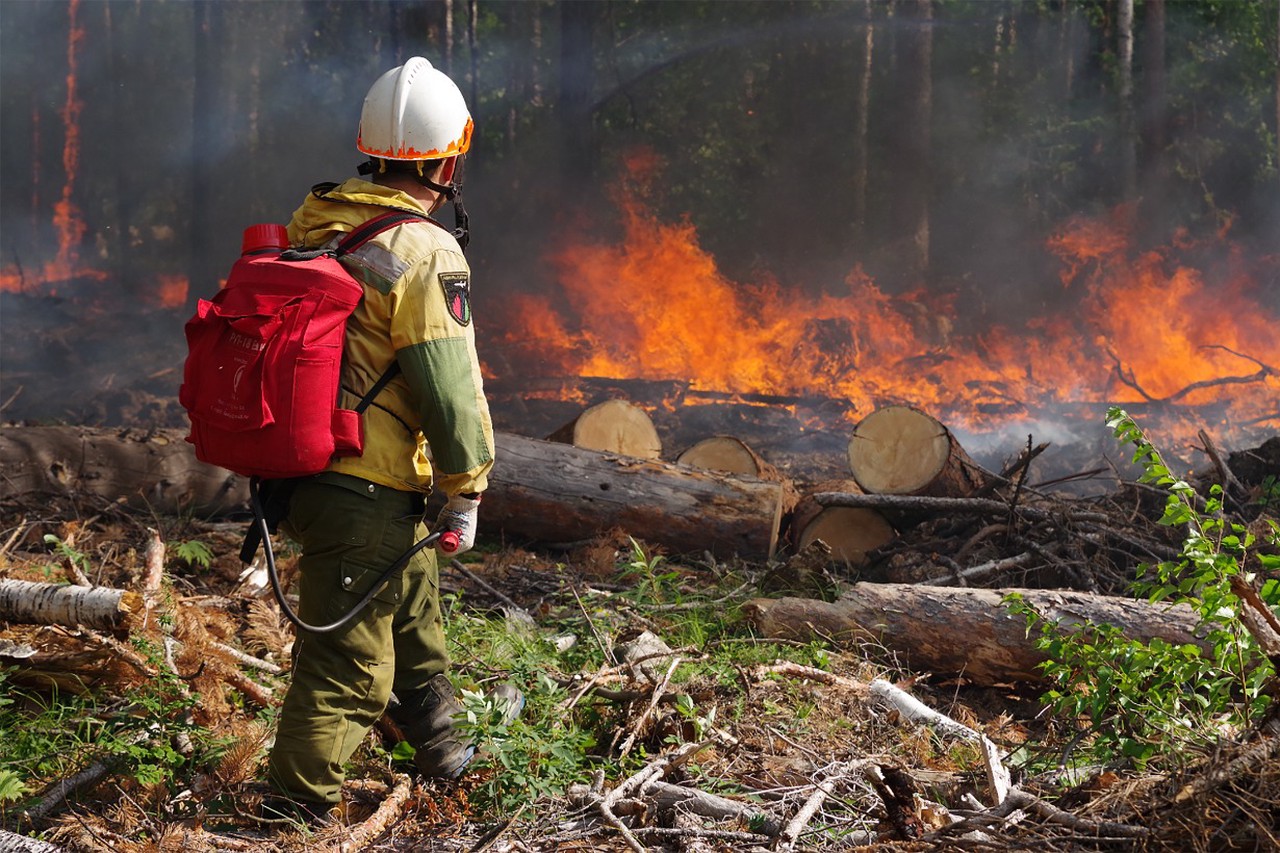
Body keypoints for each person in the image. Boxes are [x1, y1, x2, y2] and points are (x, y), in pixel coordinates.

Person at [263, 56, 519, 821]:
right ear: (447, 160)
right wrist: (467, 486)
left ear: (370, 148)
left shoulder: (317, 222)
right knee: (348, 669)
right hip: (365, 483)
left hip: (311, 474)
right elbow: (450, 391)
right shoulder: (424, 251)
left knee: (409, 611)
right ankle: (289, 817)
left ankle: (442, 752)